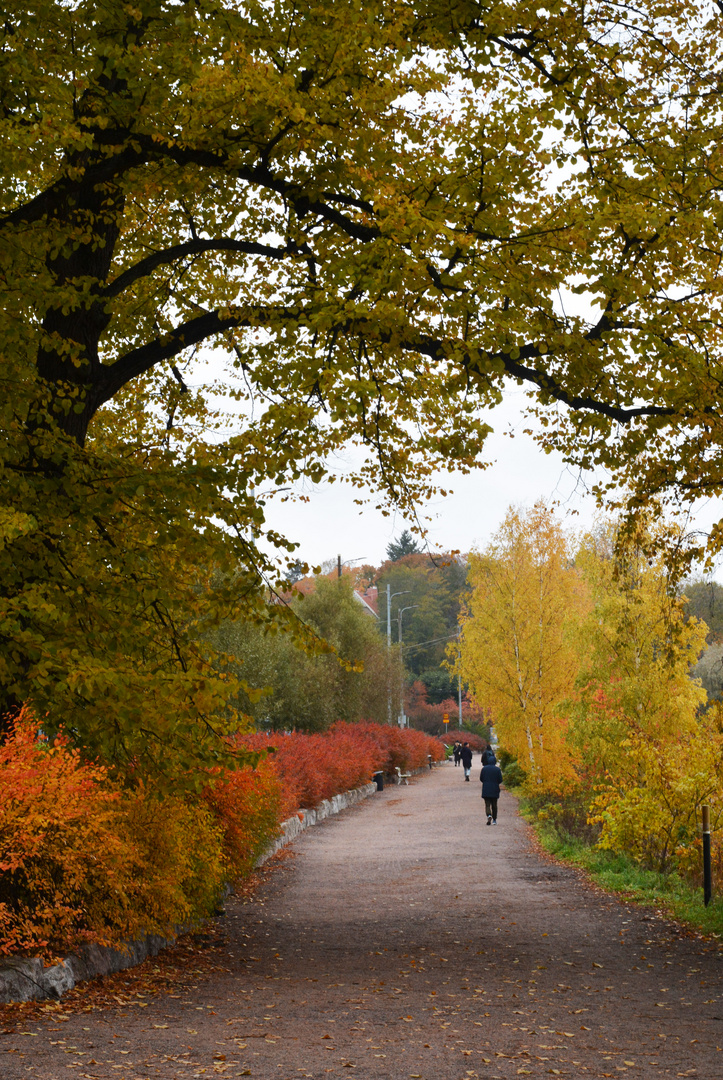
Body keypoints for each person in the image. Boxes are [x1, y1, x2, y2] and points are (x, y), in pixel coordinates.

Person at [480, 757, 503, 824]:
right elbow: (500, 780)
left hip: (486, 788)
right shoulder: (497, 770)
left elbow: (481, 778)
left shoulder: (484, 769)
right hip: (494, 788)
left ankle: (489, 814)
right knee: (494, 805)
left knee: (487, 804)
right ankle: (494, 819)